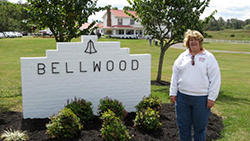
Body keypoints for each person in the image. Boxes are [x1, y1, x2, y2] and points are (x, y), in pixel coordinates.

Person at [169, 29, 221, 141]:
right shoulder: (182, 57)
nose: (193, 42)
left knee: (199, 128)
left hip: (201, 99)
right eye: (191, 40)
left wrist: (212, 98)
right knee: (183, 127)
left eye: (196, 40)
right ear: (187, 42)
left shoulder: (209, 58)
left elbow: (215, 79)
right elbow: (175, 76)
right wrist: (173, 93)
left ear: (200, 42)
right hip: (182, 98)